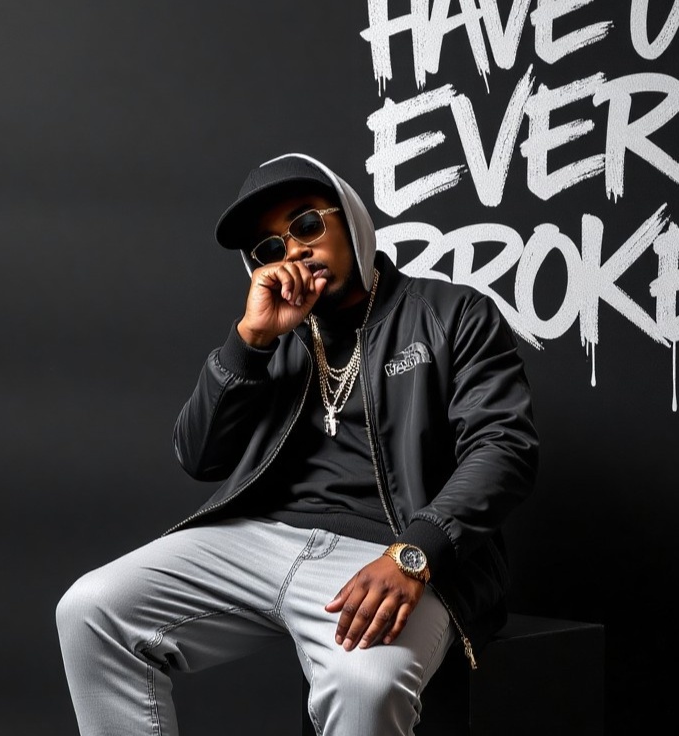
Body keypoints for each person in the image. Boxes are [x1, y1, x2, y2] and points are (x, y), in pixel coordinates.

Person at [56, 153, 538, 736]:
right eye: (270, 248)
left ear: (350, 220)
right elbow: (198, 457)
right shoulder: (275, 336)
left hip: (387, 549)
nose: (294, 251)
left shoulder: (450, 314)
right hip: (260, 540)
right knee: (90, 609)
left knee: (366, 686)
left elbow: (503, 447)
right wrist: (249, 342)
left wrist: (414, 553)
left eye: (306, 224)